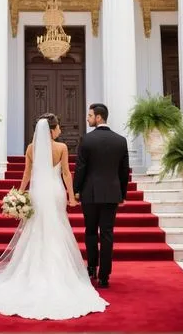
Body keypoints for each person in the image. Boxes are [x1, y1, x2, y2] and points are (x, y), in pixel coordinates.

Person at [0, 113, 108, 320]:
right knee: (57, 227)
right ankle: (59, 273)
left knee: (36, 228)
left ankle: (32, 271)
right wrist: (71, 197)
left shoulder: (31, 148)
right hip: (55, 191)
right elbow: (66, 173)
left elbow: (27, 174)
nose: (60, 130)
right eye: (58, 127)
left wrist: (19, 194)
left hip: (38, 193)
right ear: (51, 129)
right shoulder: (61, 148)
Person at [73, 103, 130, 288]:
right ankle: (105, 276)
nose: (87, 119)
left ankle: (91, 268)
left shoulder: (86, 140)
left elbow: (80, 168)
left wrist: (76, 190)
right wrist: (122, 194)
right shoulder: (120, 141)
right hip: (112, 193)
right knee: (107, 233)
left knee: (90, 231)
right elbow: (124, 171)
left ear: (98, 117)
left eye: (90, 115)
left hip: (89, 193)